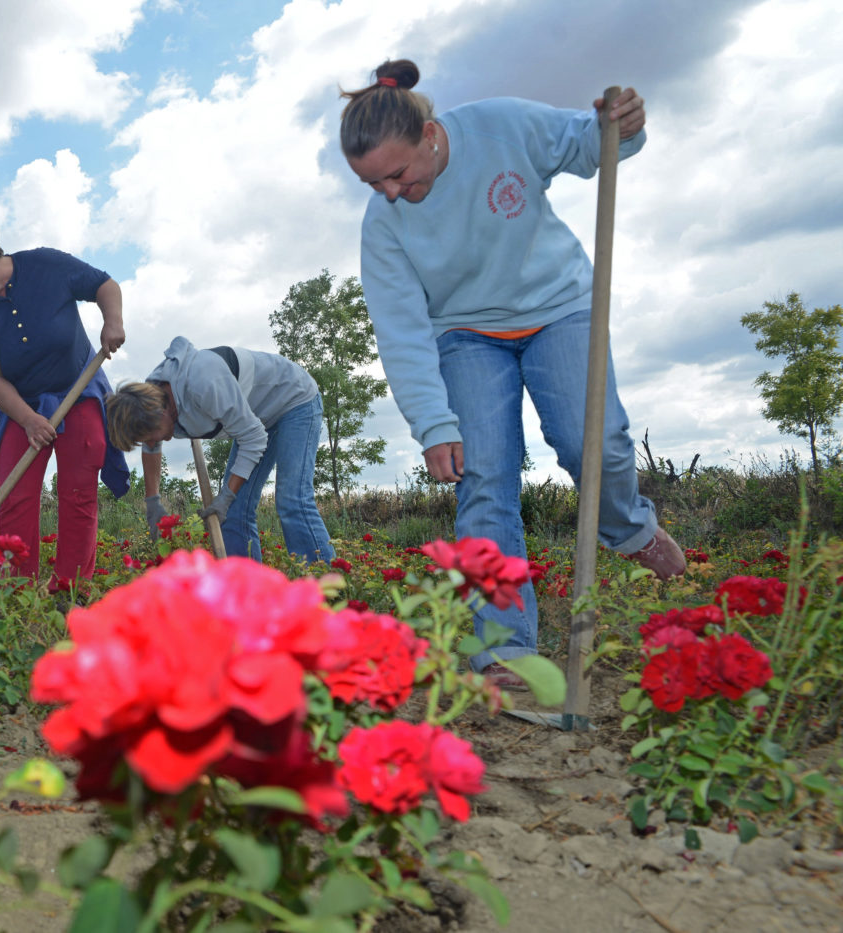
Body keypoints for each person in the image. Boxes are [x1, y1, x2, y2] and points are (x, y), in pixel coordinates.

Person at [339, 59, 684, 688]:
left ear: (430, 135)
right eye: (372, 183)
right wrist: (434, 424)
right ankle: (503, 648)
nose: (388, 192)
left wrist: (621, 127)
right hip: (465, 333)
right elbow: (401, 330)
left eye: (397, 173)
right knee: (483, 479)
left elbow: (589, 144)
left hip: (559, 308)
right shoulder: (384, 224)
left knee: (590, 442)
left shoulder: (500, 126)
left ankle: (629, 528)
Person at [0, 227, 130, 589]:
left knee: (78, 493)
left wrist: (112, 321)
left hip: (78, 389)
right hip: (20, 404)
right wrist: (28, 419)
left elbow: (105, 285)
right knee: (14, 495)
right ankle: (17, 593)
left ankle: (71, 590)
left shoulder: (46, 264)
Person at [105, 336, 336, 564]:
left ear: (160, 412)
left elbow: (253, 439)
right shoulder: (151, 397)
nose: (155, 440)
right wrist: (153, 501)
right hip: (255, 418)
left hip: (293, 399)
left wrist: (225, 496)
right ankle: (244, 585)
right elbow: (151, 446)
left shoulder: (203, 382)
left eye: (151, 434)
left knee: (292, 499)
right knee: (234, 512)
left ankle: (325, 581)